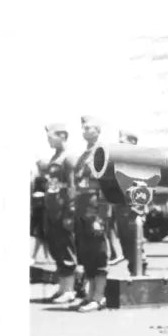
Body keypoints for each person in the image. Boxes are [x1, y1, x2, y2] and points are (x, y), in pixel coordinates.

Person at [70, 115, 112, 312]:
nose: (84, 131)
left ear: (98, 131)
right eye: (83, 128)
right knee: (86, 255)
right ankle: (89, 294)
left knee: (99, 254)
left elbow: (106, 188)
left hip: (94, 212)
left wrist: (101, 217)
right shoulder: (83, 155)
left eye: (89, 128)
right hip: (82, 211)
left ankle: (99, 296)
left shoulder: (101, 154)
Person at [36, 123, 79, 302]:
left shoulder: (68, 158)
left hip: (62, 210)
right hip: (52, 210)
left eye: (51, 136)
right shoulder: (55, 157)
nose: (48, 139)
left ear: (63, 136)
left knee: (66, 248)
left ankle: (69, 290)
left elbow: (72, 187)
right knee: (56, 248)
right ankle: (62, 288)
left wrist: (70, 213)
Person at [113, 130, 148, 277]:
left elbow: (144, 187)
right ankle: (133, 272)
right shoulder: (120, 163)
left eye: (123, 141)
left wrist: (140, 211)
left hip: (133, 210)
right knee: (127, 245)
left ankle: (140, 274)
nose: (120, 144)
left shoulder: (138, 162)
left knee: (136, 244)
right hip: (121, 209)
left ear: (133, 143)